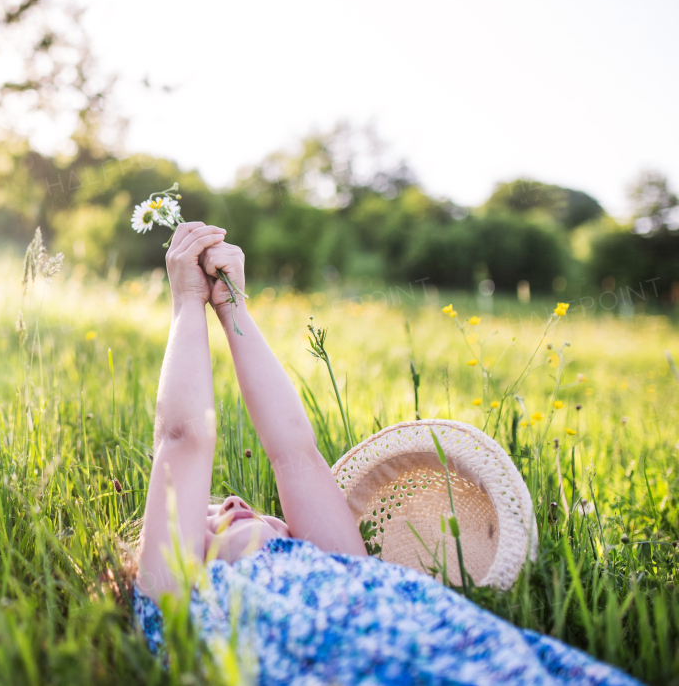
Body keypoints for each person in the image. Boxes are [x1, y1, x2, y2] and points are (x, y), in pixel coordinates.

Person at [133, 221, 639, 685]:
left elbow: (295, 452)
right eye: (204, 511)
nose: (232, 502)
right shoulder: (178, 609)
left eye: (249, 509)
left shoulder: (336, 560)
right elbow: (184, 441)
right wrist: (185, 301)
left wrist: (232, 305)